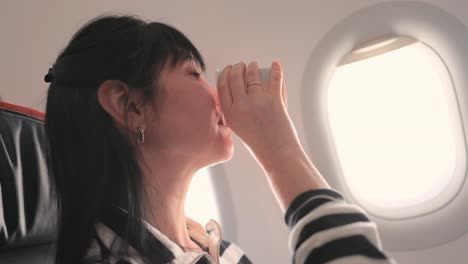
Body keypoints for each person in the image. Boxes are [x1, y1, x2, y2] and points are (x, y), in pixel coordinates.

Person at [44, 14, 396, 264]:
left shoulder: (208, 245)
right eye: (194, 74)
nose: (214, 93)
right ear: (130, 106)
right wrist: (278, 150)